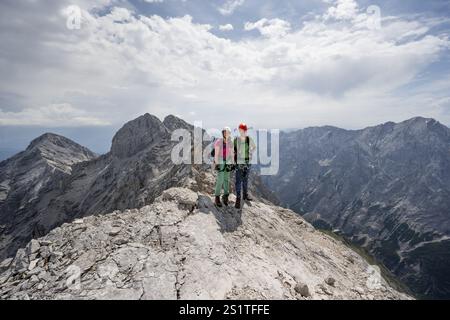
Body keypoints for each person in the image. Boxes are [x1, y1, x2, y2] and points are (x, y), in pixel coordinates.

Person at [234, 123, 256, 209]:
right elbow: (233, 149)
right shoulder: (236, 139)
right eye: (240, 130)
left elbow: (254, 147)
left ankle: (245, 195)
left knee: (245, 179)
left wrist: (250, 152)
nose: (241, 132)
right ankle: (238, 198)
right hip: (239, 162)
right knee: (239, 180)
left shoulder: (248, 139)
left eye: (243, 130)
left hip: (247, 162)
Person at [213, 127, 235, 207]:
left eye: (227, 132)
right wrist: (217, 164)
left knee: (226, 179)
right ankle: (217, 197)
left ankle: (226, 195)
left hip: (228, 161)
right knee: (220, 179)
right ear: (223, 133)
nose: (226, 134)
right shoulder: (219, 142)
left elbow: (232, 153)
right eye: (225, 132)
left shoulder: (231, 142)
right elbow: (216, 153)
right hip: (221, 160)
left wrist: (233, 163)